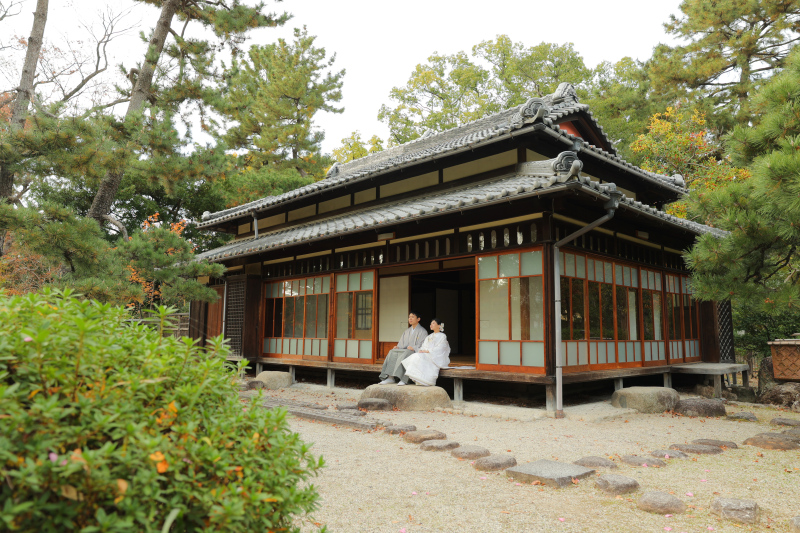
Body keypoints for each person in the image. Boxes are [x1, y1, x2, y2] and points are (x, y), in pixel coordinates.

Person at [378, 311, 427, 385]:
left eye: (412, 317)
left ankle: (403, 379)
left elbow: (423, 345)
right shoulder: (407, 331)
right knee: (392, 351)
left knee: (407, 353)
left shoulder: (423, 331)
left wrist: (414, 348)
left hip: (414, 352)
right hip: (405, 350)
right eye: (409, 317)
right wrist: (398, 347)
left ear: (418, 319)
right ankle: (390, 377)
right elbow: (401, 343)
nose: (410, 319)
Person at [401, 318, 450, 387]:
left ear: (439, 325)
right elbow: (424, 346)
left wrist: (429, 351)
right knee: (415, 356)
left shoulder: (442, 336)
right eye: (430, 323)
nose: (431, 325)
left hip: (434, 355)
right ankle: (417, 378)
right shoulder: (429, 336)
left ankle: (426, 380)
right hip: (426, 354)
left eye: (433, 323)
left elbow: (441, 347)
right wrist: (422, 350)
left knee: (418, 357)